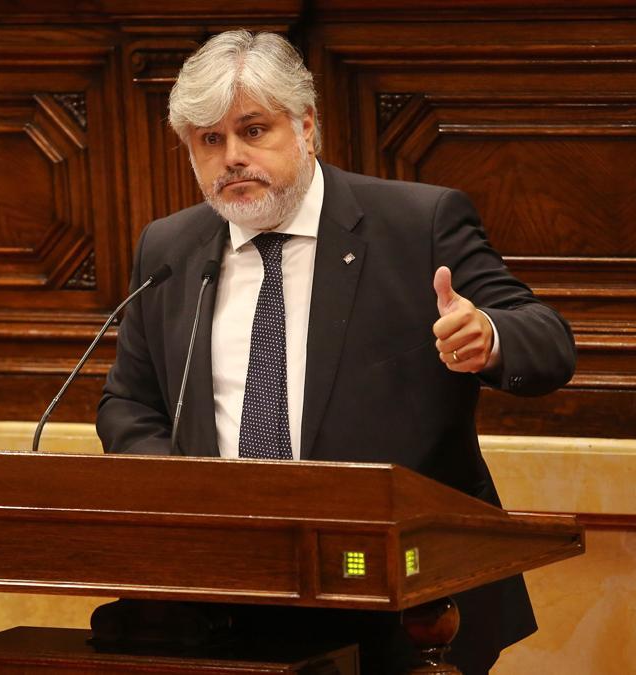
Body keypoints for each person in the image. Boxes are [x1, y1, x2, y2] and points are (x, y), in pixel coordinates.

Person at [97, 29, 575, 674]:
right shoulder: (169, 248)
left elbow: (547, 338)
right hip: (227, 597)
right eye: (210, 140)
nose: (232, 157)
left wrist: (489, 336)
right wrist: (191, 499)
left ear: (306, 127)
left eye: (254, 130)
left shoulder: (417, 223)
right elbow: (130, 404)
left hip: (403, 600)